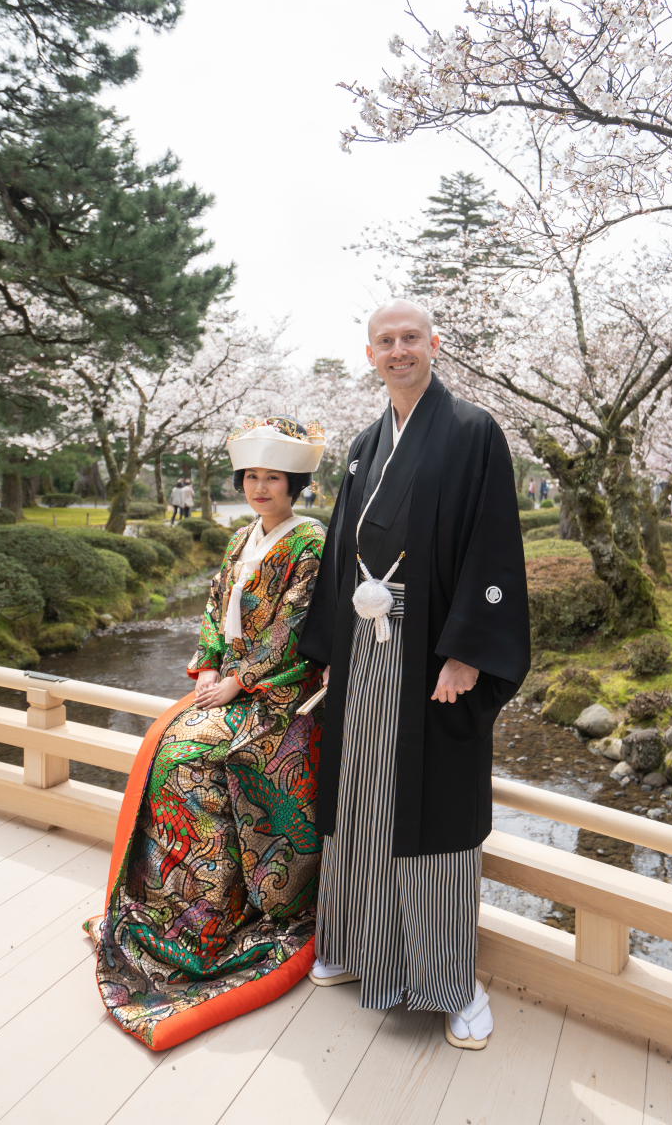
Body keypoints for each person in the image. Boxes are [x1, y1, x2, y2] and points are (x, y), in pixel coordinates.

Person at [299, 299, 530, 1051]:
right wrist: (326, 645)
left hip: (433, 649)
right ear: (369, 355)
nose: (398, 351)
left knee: (433, 806)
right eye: (385, 341)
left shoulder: (472, 431)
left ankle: (450, 981)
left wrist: (468, 650)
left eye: (410, 338)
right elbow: (342, 544)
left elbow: (494, 545)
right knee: (359, 794)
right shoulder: (365, 444)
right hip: (364, 643)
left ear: (434, 344)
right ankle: (355, 948)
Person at [84, 416, 328, 1050]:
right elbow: (216, 612)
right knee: (170, 753)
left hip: (281, 695)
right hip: (232, 684)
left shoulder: (311, 544)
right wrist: (212, 668)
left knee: (191, 757)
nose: (259, 487)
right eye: (251, 476)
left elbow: (296, 629)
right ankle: (175, 910)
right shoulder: (240, 539)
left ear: (294, 484)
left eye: (273, 477)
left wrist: (239, 681)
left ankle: (221, 912)